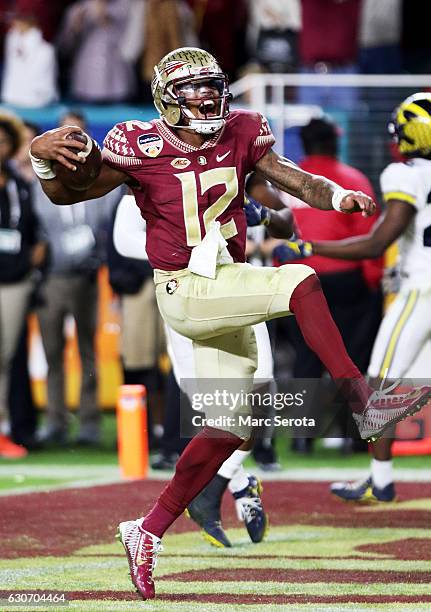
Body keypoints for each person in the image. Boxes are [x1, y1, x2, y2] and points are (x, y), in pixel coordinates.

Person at [29, 47, 430, 600]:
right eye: (193, 92)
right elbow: (73, 188)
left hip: (225, 279)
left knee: (230, 428)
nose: (207, 100)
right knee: (299, 281)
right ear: (168, 101)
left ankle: (146, 531)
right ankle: (360, 400)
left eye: (212, 88)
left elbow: (289, 177)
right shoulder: (138, 142)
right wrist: (44, 159)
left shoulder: (241, 129)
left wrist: (337, 195)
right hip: (185, 287)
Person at [273, 92, 431, 503]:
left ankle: (377, 477)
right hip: (391, 287)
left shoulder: (406, 173)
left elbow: (378, 242)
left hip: (421, 289)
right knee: (411, 384)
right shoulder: (369, 176)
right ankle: (374, 472)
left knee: (377, 385)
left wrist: (310, 249)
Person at [113, 183, 289, 547]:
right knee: (211, 404)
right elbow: (123, 237)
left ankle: (220, 483)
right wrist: (183, 250)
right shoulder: (153, 159)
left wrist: (266, 217)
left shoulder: (239, 148)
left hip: (239, 284)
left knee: (258, 390)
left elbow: (285, 214)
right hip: (185, 290)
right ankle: (238, 484)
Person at [273, 117, 383, 452]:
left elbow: (278, 231)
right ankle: (356, 439)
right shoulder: (353, 180)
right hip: (347, 280)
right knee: (352, 358)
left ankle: (302, 440)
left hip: (299, 278)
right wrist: (372, 281)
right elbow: (370, 239)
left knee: (305, 359)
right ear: (334, 142)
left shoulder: (289, 183)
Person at [33, 110, 123, 446]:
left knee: (88, 351)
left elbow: (108, 227)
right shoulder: (37, 182)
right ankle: (55, 421)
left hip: (87, 276)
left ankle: (88, 424)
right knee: (52, 351)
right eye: (65, 135)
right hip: (52, 279)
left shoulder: (100, 183)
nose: (71, 142)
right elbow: (36, 231)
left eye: (77, 135)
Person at [0, 112, 47, 458]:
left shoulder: (20, 185)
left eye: (3, 141)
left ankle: (3, 429)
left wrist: (36, 254)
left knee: (5, 356)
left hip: (14, 280)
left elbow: (33, 231)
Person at [1, 11, 58, 107]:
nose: (16, 25)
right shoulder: (12, 37)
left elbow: (39, 71)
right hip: (13, 95)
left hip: (35, 96)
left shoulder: (45, 50)